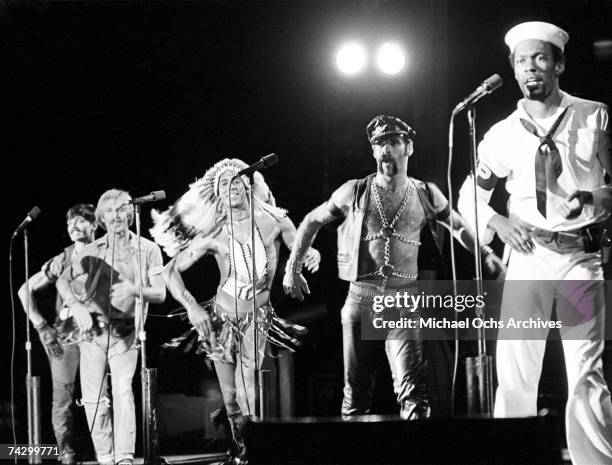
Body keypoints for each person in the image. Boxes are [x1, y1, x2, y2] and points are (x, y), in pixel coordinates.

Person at [457, 21, 612, 465]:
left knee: (586, 369)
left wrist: (596, 197)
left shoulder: (594, 115)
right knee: (516, 369)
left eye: (540, 58)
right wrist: (497, 223)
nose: (531, 68)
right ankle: (512, 454)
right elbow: (470, 195)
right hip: (528, 259)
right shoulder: (502, 133)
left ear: (559, 64)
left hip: (580, 258)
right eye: (522, 61)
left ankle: (596, 461)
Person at [283, 115, 504, 419]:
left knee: (413, 392)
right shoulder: (354, 191)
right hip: (361, 297)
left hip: (403, 302)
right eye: (378, 144)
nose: (385, 149)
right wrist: (292, 268)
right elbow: (312, 220)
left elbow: (459, 227)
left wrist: (485, 252)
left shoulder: (426, 193)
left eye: (393, 142)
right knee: (355, 395)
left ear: (408, 147)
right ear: (373, 151)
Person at [151, 158, 320, 464]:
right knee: (230, 398)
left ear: (248, 186)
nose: (233, 187)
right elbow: (169, 270)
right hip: (221, 318)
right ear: (218, 194)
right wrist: (192, 307)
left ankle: (253, 452)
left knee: (247, 391)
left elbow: (299, 246)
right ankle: (239, 450)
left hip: (257, 317)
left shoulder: (275, 222)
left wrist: (309, 256)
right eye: (225, 183)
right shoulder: (214, 234)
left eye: (238, 181)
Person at [56, 189, 166, 465]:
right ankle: (105, 457)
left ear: (131, 213)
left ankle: (125, 457)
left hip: (126, 334)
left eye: (121, 210)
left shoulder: (149, 249)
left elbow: (161, 293)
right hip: (92, 334)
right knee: (93, 400)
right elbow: (62, 281)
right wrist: (76, 306)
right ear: (101, 218)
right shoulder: (92, 250)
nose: (116, 216)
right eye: (109, 211)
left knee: (123, 391)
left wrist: (133, 288)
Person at [18, 204, 104, 465]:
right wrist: (42, 328)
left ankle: (107, 453)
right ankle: (66, 454)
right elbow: (25, 290)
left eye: (79, 222)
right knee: (63, 397)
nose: (73, 227)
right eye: (69, 224)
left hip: (99, 334)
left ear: (94, 225)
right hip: (65, 337)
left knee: (100, 397)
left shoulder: (108, 252)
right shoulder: (64, 259)